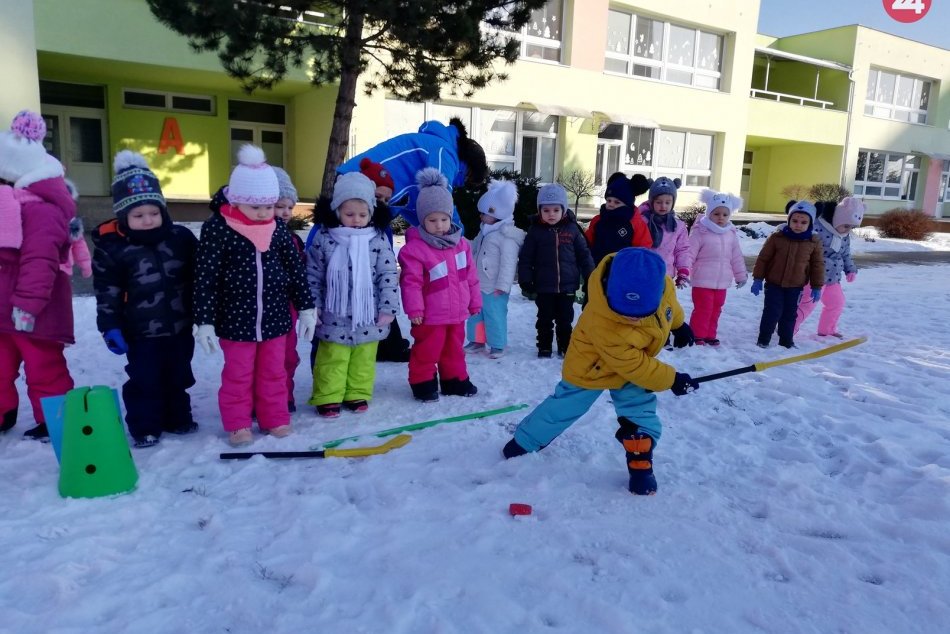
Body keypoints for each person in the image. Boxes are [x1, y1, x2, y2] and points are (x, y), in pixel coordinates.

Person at [502, 248, 698, 496]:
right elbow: (633, 365)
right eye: (624, 312)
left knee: (640, 411)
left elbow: (670, 307)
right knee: (563, 408)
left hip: (633, 366)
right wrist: (671, 379)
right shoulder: (603, 319)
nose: (632, 319)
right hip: (590, 367)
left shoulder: (663, 285)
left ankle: (640, 460)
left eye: (639, 313)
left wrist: (679, 325)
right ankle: (524, 442)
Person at [193, 145, 316, 446]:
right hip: (236, 322)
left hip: (275, 318)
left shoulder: (277, 230)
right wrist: (204, 321)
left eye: (268, 206)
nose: (263, 214)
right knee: (239, 374)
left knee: (274, 372)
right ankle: (238, 423)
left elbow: (295, 271)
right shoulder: (219, 229)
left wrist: (307, 307)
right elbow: (205, 278)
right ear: (236, 201)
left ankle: (274, 418)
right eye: (255, 207)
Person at [91, 151, 199, 448]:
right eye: (138, 216)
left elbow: (202, 276)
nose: (148, 220)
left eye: (154, 213)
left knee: (179, 375)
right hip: (140, 331)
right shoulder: (113, 248)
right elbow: (107, 291)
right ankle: (145, 426)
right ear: (123, 217)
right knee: (145, 379)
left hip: (180, 326)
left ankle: (178, 417)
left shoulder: (180, 238)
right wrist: (109, 326)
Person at [0, 111, 75, 438]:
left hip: (35, 307)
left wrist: (28, 304)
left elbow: (40, 258)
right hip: (3, 304)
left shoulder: (41, 207)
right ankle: (3, 411)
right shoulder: (9, 205)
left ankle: (54, 419)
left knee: (43, 365)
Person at [305, 172, 399, 417]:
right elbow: (313, 275)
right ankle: (328, 396)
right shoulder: (325, 239)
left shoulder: (377, 240)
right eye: (349, 214)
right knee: (332, 357)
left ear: (370, 213)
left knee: (364, 357)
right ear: (337, 211)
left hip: (368, 312)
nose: (356, 220)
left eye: (362, 214)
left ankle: (357, 393)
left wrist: (388, 307)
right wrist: (312, 305)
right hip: (333, 312)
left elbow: (387, 274)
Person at [398, 168, 481, 402]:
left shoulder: (461, 245)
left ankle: (454, 380)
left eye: (444, 219)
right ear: (423, 220)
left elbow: (471, 277)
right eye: (432, 220)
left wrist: (474, 301)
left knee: (454, 348)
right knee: (427, 349)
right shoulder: (415, 250)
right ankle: (422, 382)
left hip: (457, 313)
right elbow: (411, 283)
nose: (439, 225)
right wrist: (414, 309)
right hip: (430, 316)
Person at [335, 118, 489, 228]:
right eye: (468, 179)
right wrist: (457, 232)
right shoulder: (445, 152)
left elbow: (415, 208)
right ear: (469, 166)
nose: (461, 184)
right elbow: (439, 197)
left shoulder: (434, 146)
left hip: (361, 189)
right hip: (358, 184)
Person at [517, 183, 594, 358]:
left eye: (555, 210)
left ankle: (565, 346)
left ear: (563, 210)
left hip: (567, 286)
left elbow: (584, 255)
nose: (551, 214)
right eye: (546, 210)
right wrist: (525, 279)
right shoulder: (535, 231)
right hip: (544, 286)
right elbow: (526, 258)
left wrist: (592, 276)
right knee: (544, 319)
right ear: (540, 211)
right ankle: (544, 346)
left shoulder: (573, 230)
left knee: (565, 320)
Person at [358, 157, 411, 363]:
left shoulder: (382, 224)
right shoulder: (352, 222)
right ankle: (390, 347)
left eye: (387, 200)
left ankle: (391, 346)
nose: (382, 204)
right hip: (361, 286)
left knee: (386, 314)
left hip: (378, 282)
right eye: (378, 197)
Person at [750, 201, 825, 349]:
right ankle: (763, 339)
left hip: (795, 286)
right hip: (774, 284)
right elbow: (763, 258)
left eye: (803, 222)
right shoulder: (777, 237)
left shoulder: (812, 242)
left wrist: (817, 286)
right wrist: (758, 278)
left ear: (810, 223)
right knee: (772, 312)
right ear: (789, 220)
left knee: (790, 315)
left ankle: (786, 341)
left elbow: (817, 265)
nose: (798, 224)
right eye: (795, 221)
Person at [465, 179, 525, 359]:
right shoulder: (484, 230)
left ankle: (497, 344)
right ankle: (477, 340)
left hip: (495, 287)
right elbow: (473, 248)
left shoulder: (506, 236)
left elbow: (509, 263)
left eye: (485, 214)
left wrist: (503, 285)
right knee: (476, 313)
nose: (481, 217)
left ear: (498, 213)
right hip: (477, 283)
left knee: (494, 315)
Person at [795, 197, 864, 338]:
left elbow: (845, 254)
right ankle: (788, 328)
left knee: (837, 303)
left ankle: (827, 329)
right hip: (813, 277)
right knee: (807, 305)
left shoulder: (844, 235)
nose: (848, 230)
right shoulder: (817, 228)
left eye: (852, 227)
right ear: (837, 219)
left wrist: (850, 269)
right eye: (846, 225)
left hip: (833, 278)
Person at [687, 189, 748, 346]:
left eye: (724, 214)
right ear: (709, 213)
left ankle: (710, 334)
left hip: (722, 281)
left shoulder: (730, 234)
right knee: (703, 309)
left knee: (716, 309)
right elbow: (689, 253)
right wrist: (685, 271)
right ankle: (697, 334)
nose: (720, 217)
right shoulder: (700, 231)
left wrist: (741, 275)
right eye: (716, 214)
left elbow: (736, 256)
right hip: (702, 280)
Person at [272, 166, 305, 412]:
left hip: (288, 310)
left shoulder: (294, 240)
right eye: (278, 206)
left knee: (287, 355)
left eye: (289, 207)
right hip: (260, 311)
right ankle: (260, 398)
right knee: (264, 360)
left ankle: (285, 395)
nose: (285, 213)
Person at [584, 172, 653, 266]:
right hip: (597, 267)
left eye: (617, 202)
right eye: (609, 200)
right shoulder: (598, 220)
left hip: (623, 270)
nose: (611, 204)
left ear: (627, 204)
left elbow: (643, 247)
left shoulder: (634, 222)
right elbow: (587, 241)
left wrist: (635, 264)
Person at [639, 177, 691, 288]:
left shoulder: (678, 226)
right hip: (644, 273)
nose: (663, 206)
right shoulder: (642, 221)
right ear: (651, 202)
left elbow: (682, 250)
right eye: (659, 202)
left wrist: (683, 270)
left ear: (673, 203)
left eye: (668, 202)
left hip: (666, 275)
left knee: (664, 304)